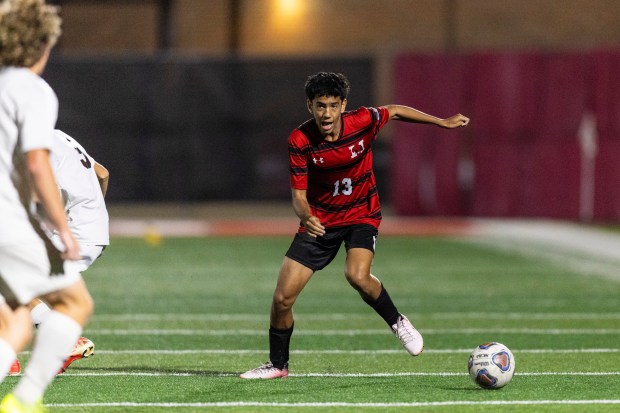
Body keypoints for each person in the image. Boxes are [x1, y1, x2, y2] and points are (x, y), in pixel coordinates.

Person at [241, 72, 469, 379]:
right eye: (320, 106)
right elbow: (298, 195)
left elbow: (396, 110)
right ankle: (278, 365)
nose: (326, 113)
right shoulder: (300, 140)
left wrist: (440, 122)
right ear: (310, 106)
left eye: (333, 106)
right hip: (320, 221)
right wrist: (306, 216)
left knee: (357, 275)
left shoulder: (362, 121)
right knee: (282, 299)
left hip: (362, 213)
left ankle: (397, 321)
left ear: (343, 105)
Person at [0, 1, 94, 411]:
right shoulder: (31, 88)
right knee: (76, 303)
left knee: (17, 319)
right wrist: (63, 228)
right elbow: (38, 163)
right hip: (9, 220)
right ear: (42, 44)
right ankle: (25, 400)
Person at [10, 129, 110, 376]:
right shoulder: (58, 136)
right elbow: (102, 173)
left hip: (71, 233)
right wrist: (93, 218)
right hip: (91, 231)